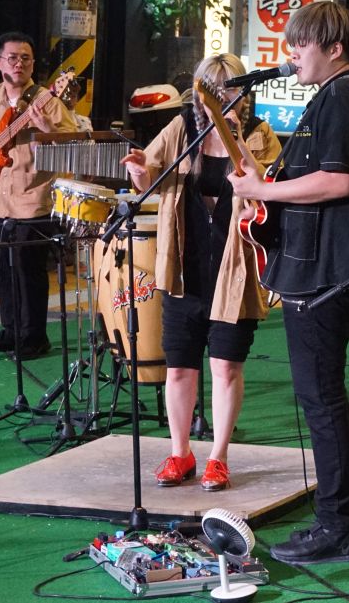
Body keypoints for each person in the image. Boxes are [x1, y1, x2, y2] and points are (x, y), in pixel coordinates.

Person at [229, 1, 349, 565]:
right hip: (334, 265)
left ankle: (338, 524)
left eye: (301, 43)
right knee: (324, 396)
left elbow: (340, 180)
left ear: (334, 48)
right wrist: (265, 180)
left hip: (326, 270)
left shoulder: (343, 95)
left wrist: (263, 192)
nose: (291, 53)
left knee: (321, 399)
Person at [120, 54, 282, 492]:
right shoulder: (182, 129)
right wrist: (139, 169)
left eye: (230, 88)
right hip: (184, 270)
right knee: (179, 369)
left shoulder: (258, 134)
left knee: (226, 368)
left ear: (243, 93)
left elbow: (266, 186)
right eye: (212, 87)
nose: (221, 95)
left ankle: (218, 457)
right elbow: (148, 179)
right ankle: (180, 453)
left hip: (234, 270)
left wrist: (233, 135)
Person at [0, 32, 77, 358]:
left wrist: (47, 130)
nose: (19, 64)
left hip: (32, 198)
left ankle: (34, 336)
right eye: (12, 57)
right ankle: (11, 330)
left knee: (29, 271)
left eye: (25, 58)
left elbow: (74, 143)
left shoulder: (48, 100)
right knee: (2, 270)